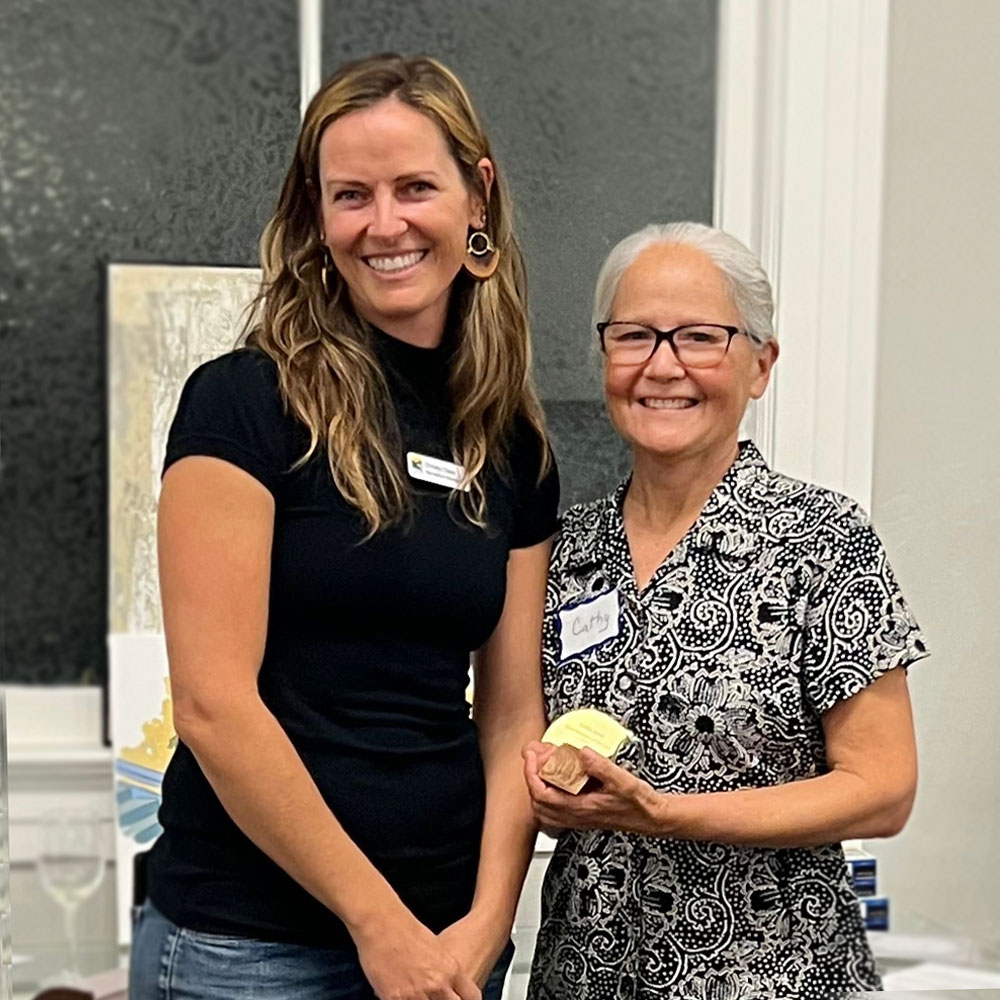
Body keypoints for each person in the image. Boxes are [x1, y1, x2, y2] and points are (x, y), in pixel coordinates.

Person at [129, 53, 558, 1000]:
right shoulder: (244, 402)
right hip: (251, 947)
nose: (385, 224)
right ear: (316, 218)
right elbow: (211, 704)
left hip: (448, 941)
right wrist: (380, 926)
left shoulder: (511, 443)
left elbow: (511, 715)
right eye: (350, 195)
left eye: (415, 187)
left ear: (477, 195)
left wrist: (488, 923)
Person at [523, 222, 926, 999]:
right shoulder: (563, 551)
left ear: (760, 365)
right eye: (634, 335)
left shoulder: (822, 541)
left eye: (700, 338)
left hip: (772, 975)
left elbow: (883, 789)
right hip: (584, 974)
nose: (662, 365)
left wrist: (670, 815)